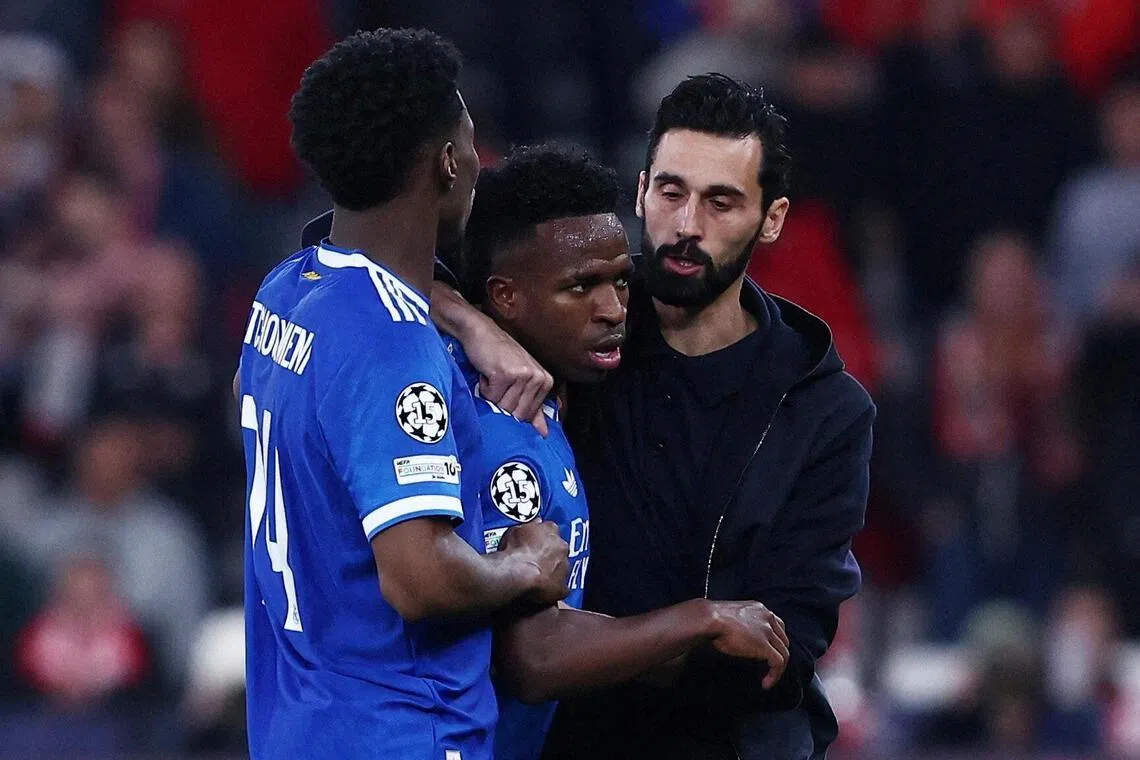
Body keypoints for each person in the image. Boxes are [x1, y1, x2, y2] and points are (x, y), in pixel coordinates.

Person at [437, 74, 875, 759]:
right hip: (566, 734)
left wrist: (588, 646)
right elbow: (368, 254)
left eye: (721, 202)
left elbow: (776, 655)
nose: (687, 224)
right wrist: (470, 321)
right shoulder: (580, 316)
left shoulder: (825, 411)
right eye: (671, 192)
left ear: (773, 217)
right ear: (641, 190)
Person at [237, 30, 569, 760]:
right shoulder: (392, 349)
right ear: (448, 163)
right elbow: (419, 580)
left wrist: (458, 315)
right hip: (402, 731)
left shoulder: (288, 290)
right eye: (472, 144)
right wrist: (527, 566)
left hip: (295, 726)